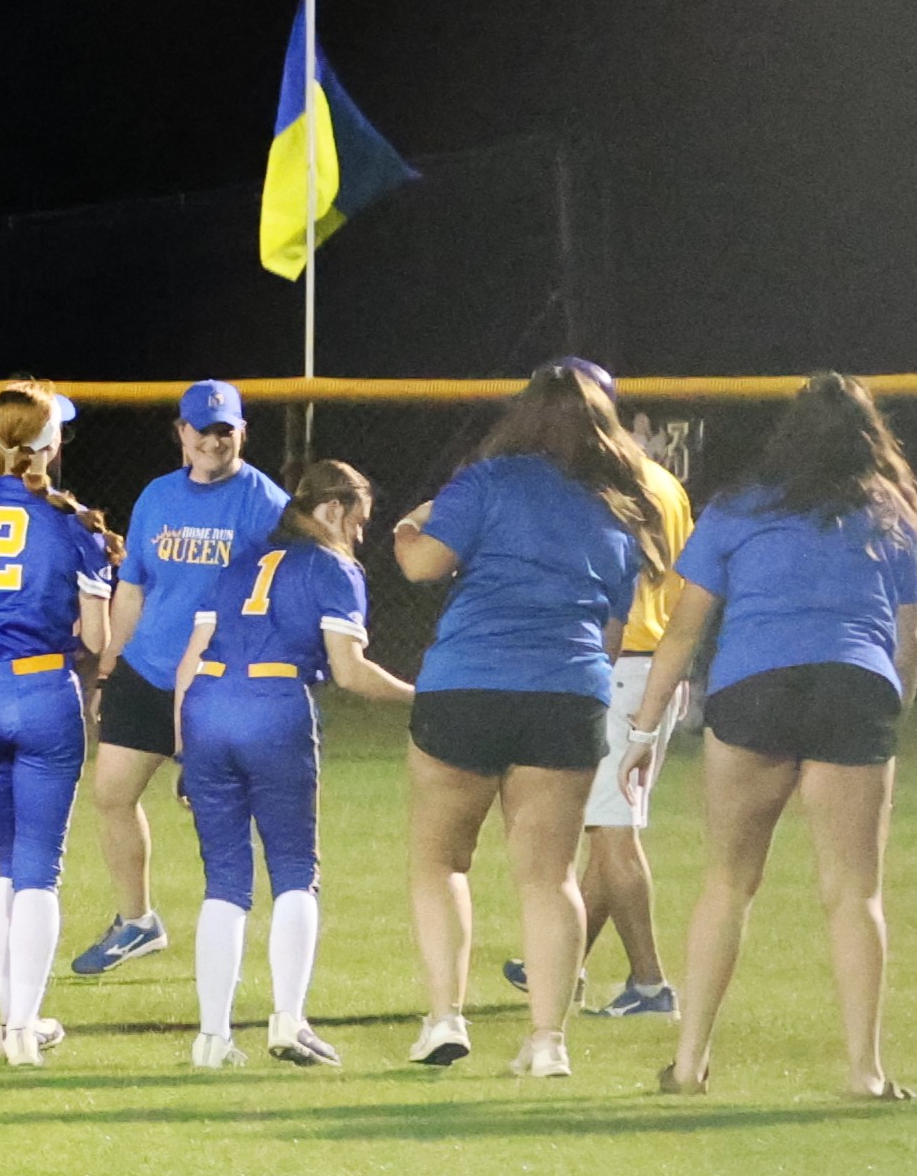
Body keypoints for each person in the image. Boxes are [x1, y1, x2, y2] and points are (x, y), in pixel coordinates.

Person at [613, 372, 917, 1102]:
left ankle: (689, 1066)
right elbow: (910, 640)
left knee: (727, 884)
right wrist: (888, 716)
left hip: (755, 689)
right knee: (854, 895)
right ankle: (864, 1073)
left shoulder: (738, 507)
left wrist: (643, 728)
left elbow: (684, 632)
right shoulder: (887, 512)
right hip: (853, 689)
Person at [393, 361, 660, 1076]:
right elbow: (610, 636)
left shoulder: (486, 481)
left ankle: (445, 1018)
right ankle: (547, 1042)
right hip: (567, 692)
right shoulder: (618, 506)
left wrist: (407, 527)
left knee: (441, 862)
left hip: (466, 685)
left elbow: (422, 566)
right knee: (550, 877)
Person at [168, 457, 410, 1068]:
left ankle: (212, 1038)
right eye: (357, 521)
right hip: (273, 704)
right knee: (295, 869)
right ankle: (288, 1020)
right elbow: (349, 671)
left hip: (206, 706)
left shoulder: (239, 561)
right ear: (331, 508)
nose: (359, 535)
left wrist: (184, 749)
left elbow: (190, 659)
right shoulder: (331, 567)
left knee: (224, 879)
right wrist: (422, 697)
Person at [0, 383, 120, 1066]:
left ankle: (12, 1017)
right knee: (39, 870)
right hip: (43, 689)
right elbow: (97, 639)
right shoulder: (73, 521)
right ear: (49, 444)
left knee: (9, 865)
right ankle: (22, 1026)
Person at [71, 379, 282, 981]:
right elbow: (132, 588)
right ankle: (137, 922)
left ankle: (233, 939)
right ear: (181, 433)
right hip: (149, 667)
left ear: (242, 432)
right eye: (202, 430)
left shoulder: (266, 503)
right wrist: (110, 666)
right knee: (112, 793)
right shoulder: (158, 495)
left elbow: (279, 596)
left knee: (216, 813)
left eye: (224, 430)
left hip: (218, 680)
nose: (213, 441)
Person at [562, 361, 692, 1021]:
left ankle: (650, 984)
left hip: (621, 665)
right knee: (608, 825)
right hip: (661, 665)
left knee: (612, 831)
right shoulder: (664, 481)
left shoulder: (599, 482)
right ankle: (561, 961)